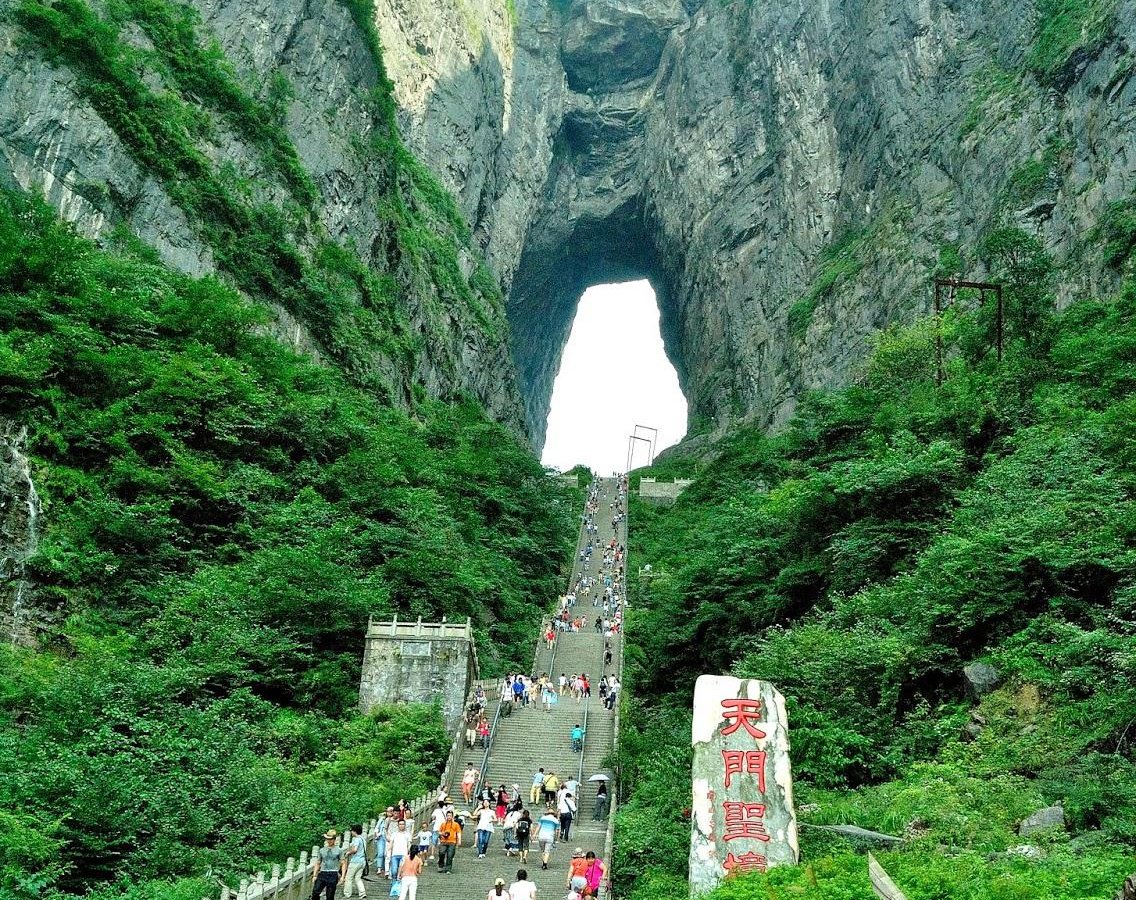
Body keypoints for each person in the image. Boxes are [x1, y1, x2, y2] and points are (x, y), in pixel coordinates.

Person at [310, 829, 347, 900]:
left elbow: (343, 863)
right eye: (328, 839)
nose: (329, 841)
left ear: (334, 839)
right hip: (323, 872)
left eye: (331, 839)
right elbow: (318, 863)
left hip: (333, 873)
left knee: (330, 895)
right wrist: (315, 875)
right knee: (315, 892)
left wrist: (343, 876)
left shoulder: (339, 850)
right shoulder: (322, 850)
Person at [343, 824, 368, 900]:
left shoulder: (356, 839)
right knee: (358, 878)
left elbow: (355, 849)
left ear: (355, 831)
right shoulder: (363, 839)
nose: (351, 832)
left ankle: (347, 894)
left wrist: (348, 853)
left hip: (355, 861)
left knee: (348, 878)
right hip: (362, 861)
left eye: (352, 831)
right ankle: (362, 893)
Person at [537, 805, 559, 870]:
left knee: (543, 850)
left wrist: (534, 835)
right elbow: (557, 830)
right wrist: (557, 838)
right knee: (547, 851)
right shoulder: (555, 820)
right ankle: (545, 864)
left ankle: (543, 861)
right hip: (550, 836)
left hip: (541, 835)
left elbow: (538, 827)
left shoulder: (542, 818)